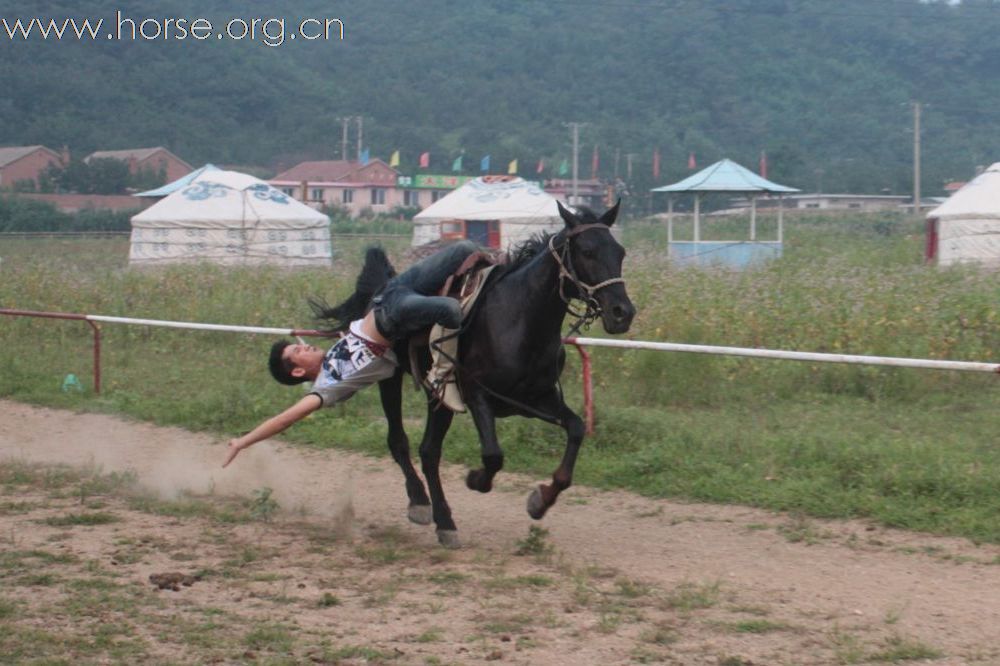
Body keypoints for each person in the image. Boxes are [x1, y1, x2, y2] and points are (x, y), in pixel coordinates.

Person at [223, 240, 479, 468]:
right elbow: (283, 420)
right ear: (299, 371)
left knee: (464, 249)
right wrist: (242, 442)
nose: (304, 345)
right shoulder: (326, 387)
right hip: (392, 315)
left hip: (393, 290)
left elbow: (353, 336)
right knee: (450, 310)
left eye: (299, 343)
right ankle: (442, 378)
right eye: (297, 350)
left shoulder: (336, 349)